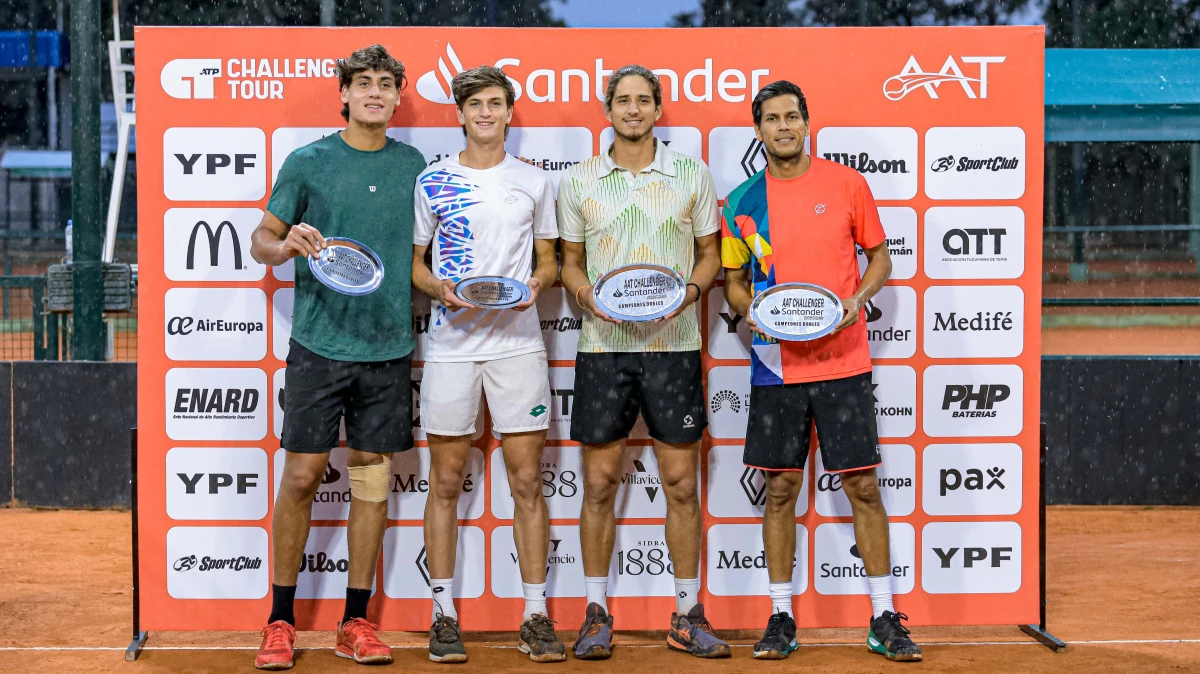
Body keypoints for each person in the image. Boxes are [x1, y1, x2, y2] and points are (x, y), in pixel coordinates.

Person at [720, 80, 922, 663]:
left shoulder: (847, 184)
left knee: (862, 486)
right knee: (780, 490)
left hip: (844, 362)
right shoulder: (741, 203)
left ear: (807, 123)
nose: (782, 127)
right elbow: (732, 280)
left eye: (791, 117)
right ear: (758, 131)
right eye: (771, 119)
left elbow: (879, 256)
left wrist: (859, 297)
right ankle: (780, 616)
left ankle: (883, 617)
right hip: (775, 366)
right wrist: (746, 307)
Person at [248, 44, 426, 670]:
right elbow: (260, 242)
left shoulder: (416, 165)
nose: (375, 93)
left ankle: (356, 620)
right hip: (319, 346)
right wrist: (285, 243)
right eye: (363, 84)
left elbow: (427, 255)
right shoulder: (309, 160)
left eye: (386, 84)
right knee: (300, 477)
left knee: (372, 481)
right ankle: (279, 620)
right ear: (344, 95)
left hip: (388, 350)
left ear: (398, 95)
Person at [557, 64, 727, 660]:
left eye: (643, 101)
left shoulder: (690, 173)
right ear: (608, 110)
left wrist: (688, 294)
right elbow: (569, 261)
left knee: (681, 484)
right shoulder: (579, 180)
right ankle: (596, 612)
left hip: (673, 346)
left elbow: (710, 255)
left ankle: (686, 612)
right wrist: (585, 296)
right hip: (602, 348)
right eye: (622, 101)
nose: (633, 110)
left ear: (659, 109)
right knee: (599, 484)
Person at [411, 65, 564, 664]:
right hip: (451, 346)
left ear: (508, 112)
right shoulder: (433, 182)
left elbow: (549, 260)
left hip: (518, 345)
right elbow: (416, 265)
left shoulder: (532, 181)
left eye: (496, 103)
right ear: (460, 112)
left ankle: (535, 614)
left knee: (527, 481)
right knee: (445, 482)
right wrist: (439, 291)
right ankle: (443, 614)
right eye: (475, 103)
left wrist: (536, 285)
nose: (485, 113)